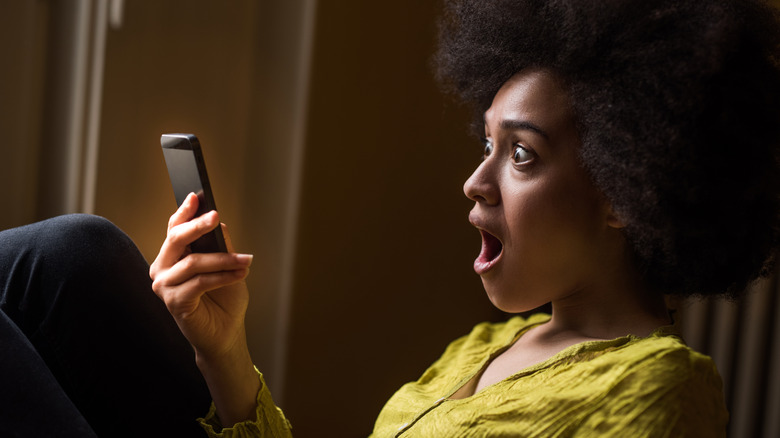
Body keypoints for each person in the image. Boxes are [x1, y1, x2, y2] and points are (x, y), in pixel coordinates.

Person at [1, 0, 778, 436]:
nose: (475, 183)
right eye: (486, 145)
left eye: (523, 156)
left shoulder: (662, 390)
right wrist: (225, 353)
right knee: (79, 253)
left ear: (623, 189)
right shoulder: (485, 348)